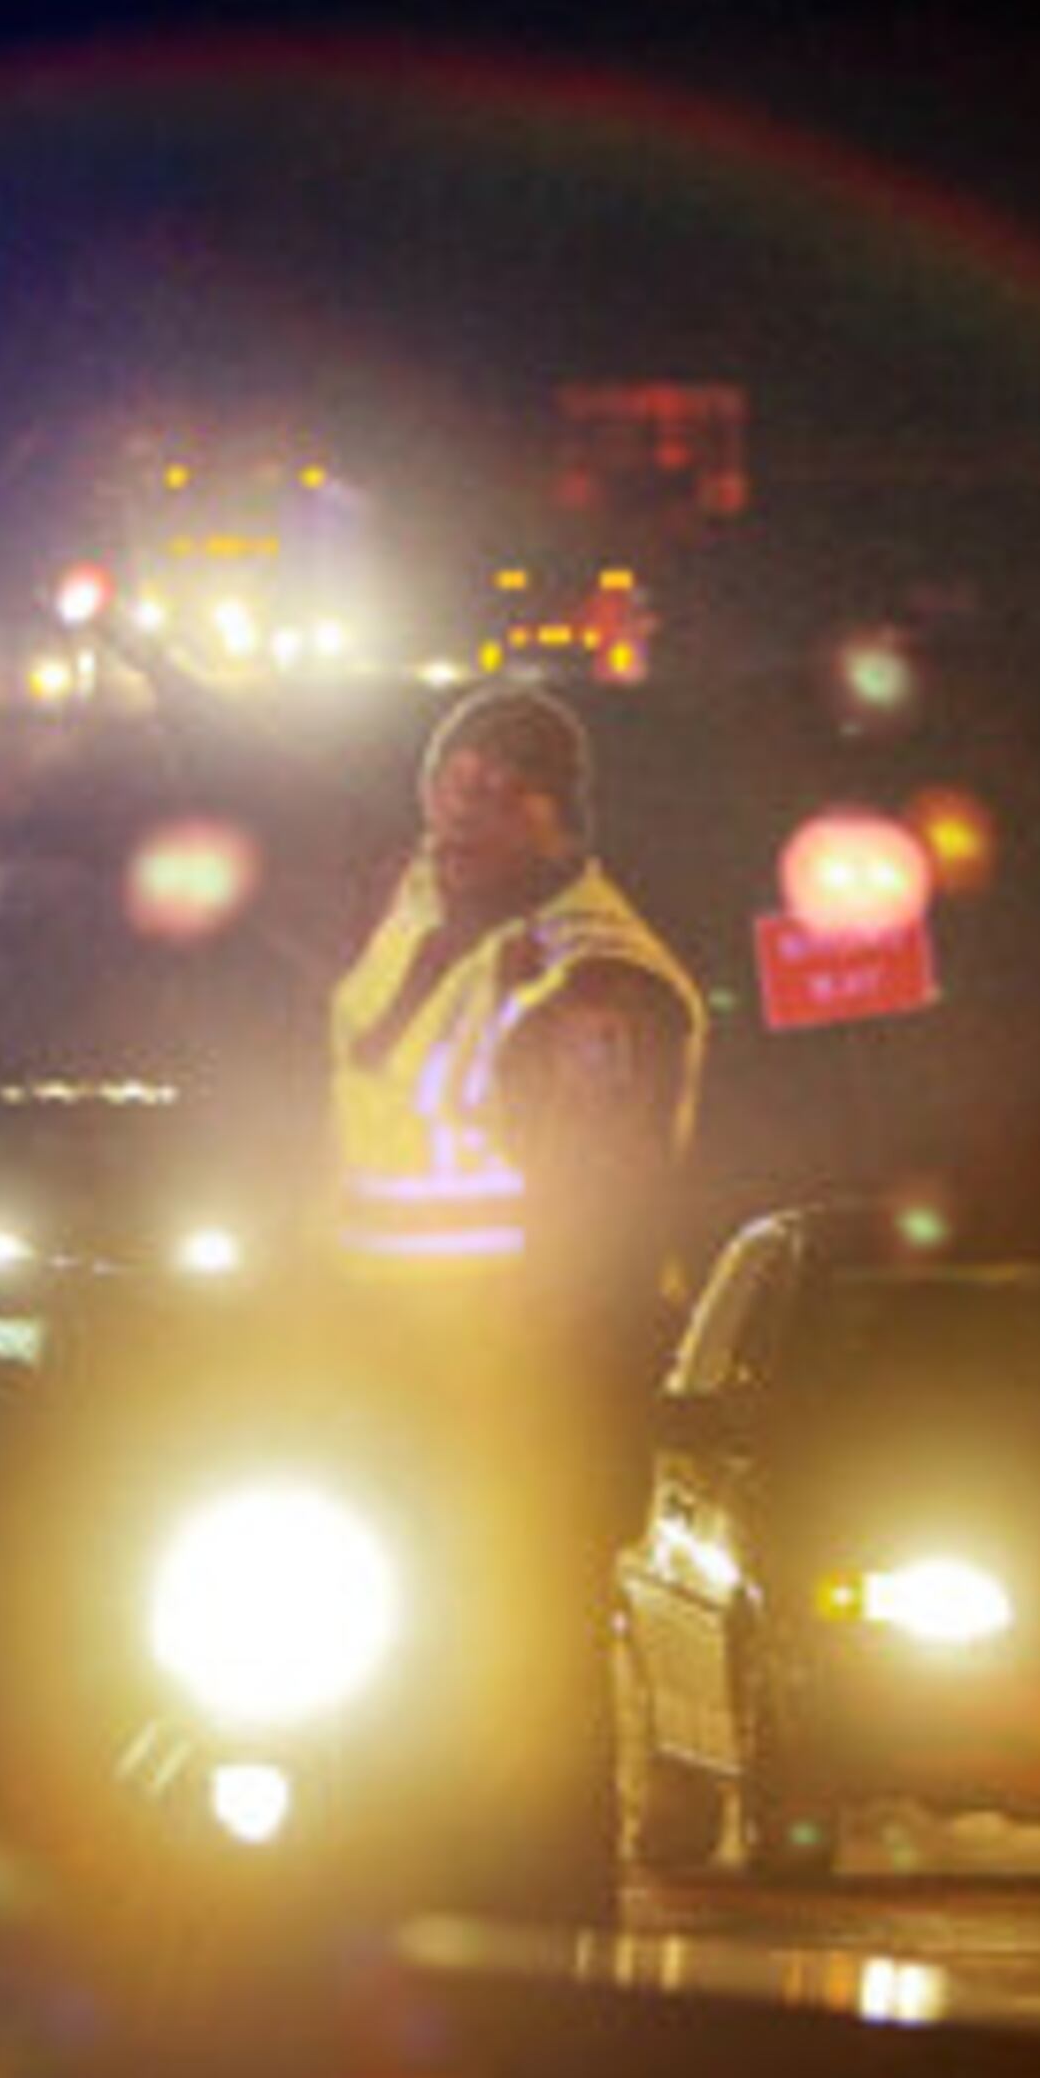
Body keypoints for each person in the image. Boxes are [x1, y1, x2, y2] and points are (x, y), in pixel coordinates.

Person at [318, 686, 707, 1912]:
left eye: (495, 791)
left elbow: (590, 1237)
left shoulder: (596, 984)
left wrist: (519, 1410)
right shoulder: (431, 916)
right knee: (399, 1706)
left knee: (517, 1717)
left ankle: (539, 1989)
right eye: (446, 782)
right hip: (399, 1387)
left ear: (559, 815)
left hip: (514, 1412)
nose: (458, 811)